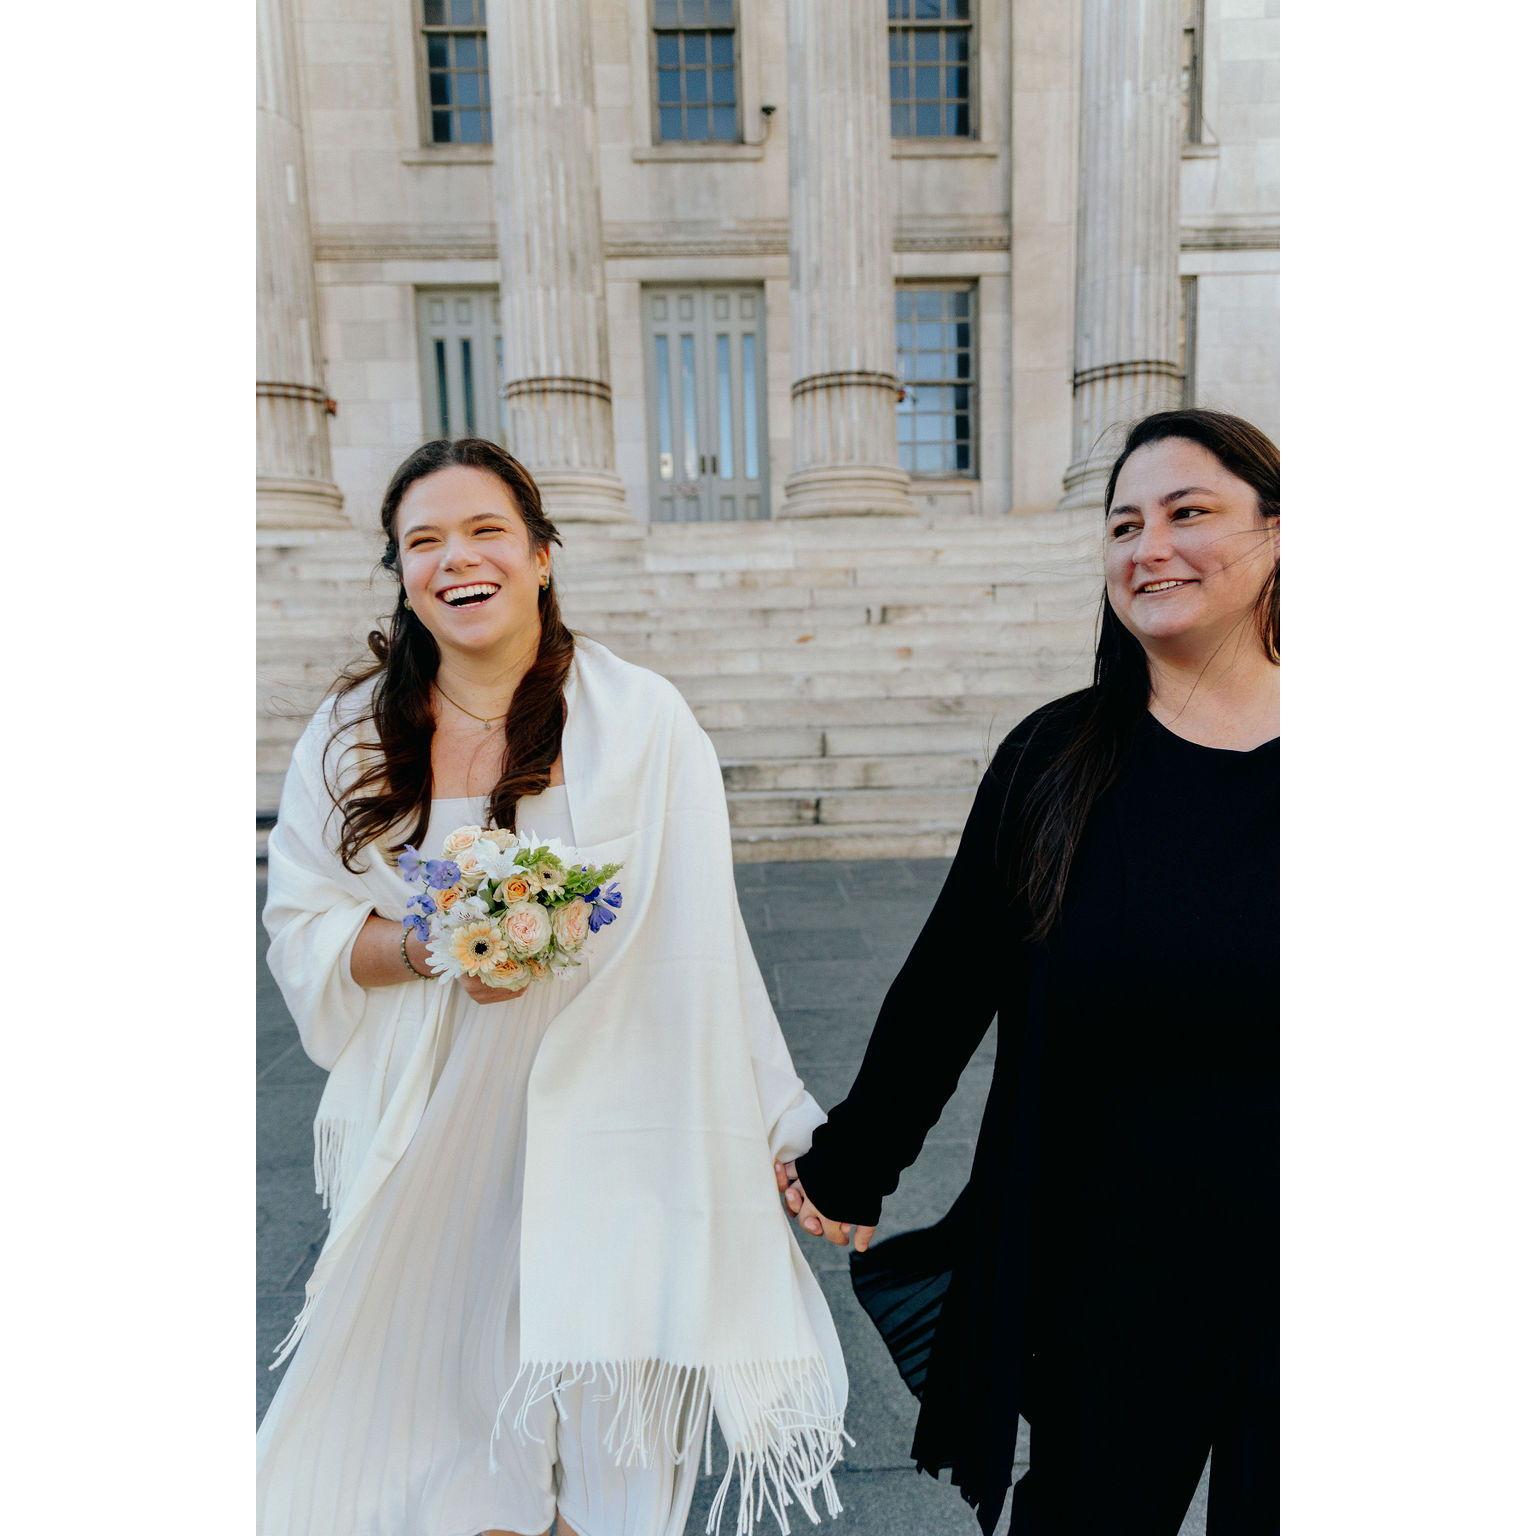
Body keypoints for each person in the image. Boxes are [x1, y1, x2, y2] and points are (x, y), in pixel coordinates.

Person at [257, 438, 848, 1536]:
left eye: (485, 531)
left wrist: (781, 1121)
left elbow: (706, 939)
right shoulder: (347, 735)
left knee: (608, 1446)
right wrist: (438, 947)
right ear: (400, 573)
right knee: (438, 1437)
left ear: (539, 555)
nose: (456, 558)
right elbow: (302, 924)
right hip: (442, 1119)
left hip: (621, 1117)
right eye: (424, 541)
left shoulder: (646, 719)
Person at [780, 408, 1280, 1536]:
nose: (1149, 548)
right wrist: (854, 1163)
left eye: (1189, 513)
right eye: (1124, 525)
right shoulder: (1055, 758)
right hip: (1112, 1271)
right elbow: (947, 984)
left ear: (1279, 532)